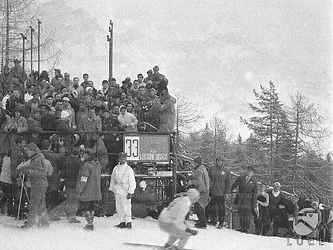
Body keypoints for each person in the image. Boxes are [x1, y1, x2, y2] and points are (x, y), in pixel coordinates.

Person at [16, 143, 49, 228]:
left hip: (38, 184)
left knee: (34, 204)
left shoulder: (37, 159)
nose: (26, 152)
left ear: (32, 150)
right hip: (41, 184)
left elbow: (40, 173)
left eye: (27, 151)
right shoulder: (38, 157)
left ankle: (30, 224)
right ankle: (44, 223)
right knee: (41, 204)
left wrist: (28, 172)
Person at [75, 150, 102, 231]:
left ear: (88, 155)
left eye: (84, 154)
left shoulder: (86, 166)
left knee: (86, 208)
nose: (83, 155)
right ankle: (91, 222)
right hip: (96, 191)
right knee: (92, 208)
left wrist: (78, 190)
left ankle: (89, 224)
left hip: (87, 191)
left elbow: (83, 179)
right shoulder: (98, 165)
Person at [109, 152, 136, 229]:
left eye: (124, 158)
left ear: (126, 159)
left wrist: (131, 191)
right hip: (117, 189)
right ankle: (122, 221)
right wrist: (111, 189)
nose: (122, 160)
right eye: (121, 158)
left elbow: (132, 181)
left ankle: (128, 221)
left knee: (126, 206)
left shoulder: (129, 169)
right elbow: (112, 179)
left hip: (125, 190)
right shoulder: (116, 168)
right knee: (119, 206)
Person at [231, 165, 258, 233]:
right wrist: (228, 190)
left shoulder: (254, 181)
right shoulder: (241, 177)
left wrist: (254, 203)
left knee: (247, 214)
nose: (249, 172)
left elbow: (255, 193)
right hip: (240, 197)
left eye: (251, 172)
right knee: (241, 213)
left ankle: (246, 228)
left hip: (248, 199)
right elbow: (235, 184)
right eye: (248, 171)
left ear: (253, 173)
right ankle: (242, 227)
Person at [206, 156, 231, 229]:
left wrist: (227, 192)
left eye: (220, 161)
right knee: (211, 206)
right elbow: (208, 177)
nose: (219, 162)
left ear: (222, 162)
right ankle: (213, 220)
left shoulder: (226, 170)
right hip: (213, 190)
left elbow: (228, 182)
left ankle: (221, 222)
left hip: (221, 192)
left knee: (221, 208)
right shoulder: (212, 169)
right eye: (218, 161)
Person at [188, 156, 210, 229]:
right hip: (204, 189)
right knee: (200, 205)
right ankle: (201, 221)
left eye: (194, 163)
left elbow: (199, 181)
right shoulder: (203, 168)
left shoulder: (199, 170)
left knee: (198, 206)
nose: (193, 164)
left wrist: (191, 182)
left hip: (201, 190)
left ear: (197, 163)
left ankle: (202, 223)